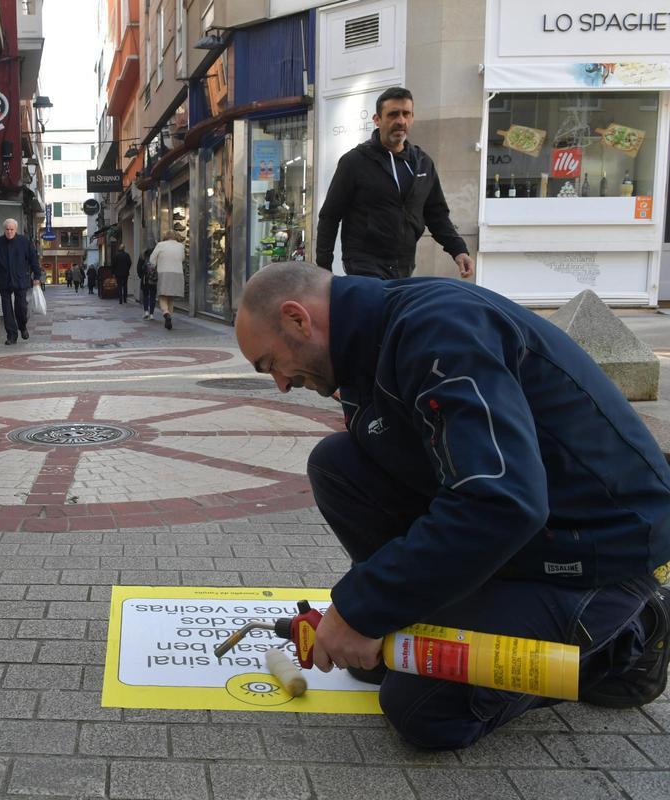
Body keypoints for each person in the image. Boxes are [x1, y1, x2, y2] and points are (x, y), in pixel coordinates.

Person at [234, 262, 670, 750]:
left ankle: (631, 633)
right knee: (338, 464)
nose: (281, 384)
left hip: (597, 547)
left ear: (298, 319)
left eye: (270, 363)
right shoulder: (365, 351)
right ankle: (429, 618)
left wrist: (361, 607)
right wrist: (380, 616)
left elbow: (500, 501)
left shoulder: (438, 332)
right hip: (528, 535)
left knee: (421, 711)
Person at [316, 87, 475, 281]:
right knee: (375, 310)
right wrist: (323, 269)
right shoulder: (355, 161)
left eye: (406, 114)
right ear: (377, 119)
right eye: (393, 114)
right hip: (364, 264)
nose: (400, 121)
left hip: (403, 264)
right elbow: (330, 216)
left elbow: (437, 215)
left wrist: (459, 251)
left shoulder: (423, 163)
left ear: (412, 117)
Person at [0, 218, 43, 344]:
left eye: (12, 229)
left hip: (20, 279)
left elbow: (33, 260)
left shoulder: (24, 242)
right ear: (4, 230)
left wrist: (37, 277)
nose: (9, 232)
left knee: (21, 308)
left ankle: (22, 326)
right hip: (4, 280)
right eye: (7, 229)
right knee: (7, 310)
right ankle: (11, 336)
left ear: (16, 229)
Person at [147, 234, 186, 330]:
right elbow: (183, 259)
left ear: (165, 237)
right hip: (177, 273)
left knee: (162, 295)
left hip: (164, 272)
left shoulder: (160, 244)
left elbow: (152, 259)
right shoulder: (181, 246)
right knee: (171, 296)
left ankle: (166, 312)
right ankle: (169, 318)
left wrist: (154, 266)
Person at [136, 247, 156, 319]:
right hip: (153, 279)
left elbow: (138, 268)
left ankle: (146, 311)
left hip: (145, 279)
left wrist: (141, 276)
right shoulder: (155, 257)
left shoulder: (142, 257)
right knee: (153, 296)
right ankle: (152, 314)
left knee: (145, 295)